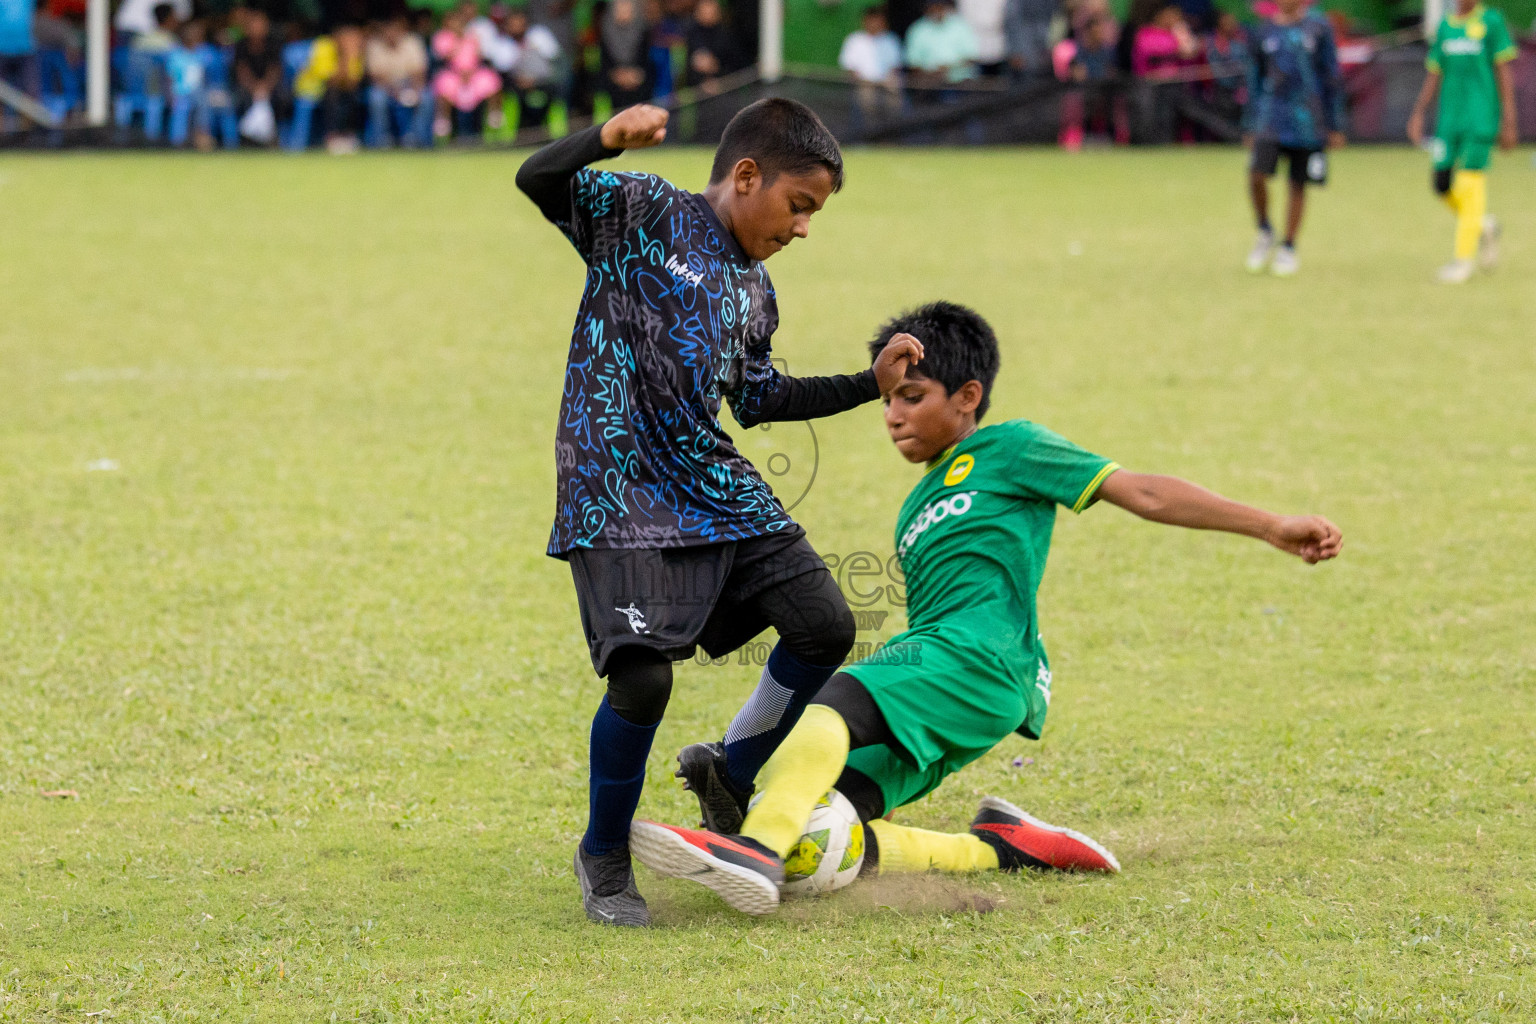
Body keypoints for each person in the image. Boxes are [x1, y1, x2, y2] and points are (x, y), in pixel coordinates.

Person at [629, 301, 1344, 915]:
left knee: (831, 706)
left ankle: (750, 853)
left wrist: (1271, 526)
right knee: (821, 831)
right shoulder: (919, 499)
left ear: (967, 397)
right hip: (964, 676)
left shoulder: (1012, 448)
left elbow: (1145, 492)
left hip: (976, 658)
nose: (893, 414)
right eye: (887, 399)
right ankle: (1000, 849)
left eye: (913, 395)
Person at [515, 100, 925, 929]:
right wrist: (604, 141)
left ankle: (730, 771)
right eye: (799, 205)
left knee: (823, 623)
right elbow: (537, 177)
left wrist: (865, 382)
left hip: (709, 482)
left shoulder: (755, 287)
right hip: (616, 483)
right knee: (642, 675)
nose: (804, 228)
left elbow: (761, 397)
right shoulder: (640, 209)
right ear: (746, 176)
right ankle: (603, 853)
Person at [1406, 0, 1519, 284]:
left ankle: (1462, 261)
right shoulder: (1445, 27)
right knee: (1441, 185)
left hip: (1480, 119)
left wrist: (1509, 119)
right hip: (1449, 121)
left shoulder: (1491, 22)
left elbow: (1503, 72)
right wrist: (1419, 112)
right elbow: (1435, 72)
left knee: (1470, 185)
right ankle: (1483, 225)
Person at [1241, 0, 1346, 277]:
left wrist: (1334, 124)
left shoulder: (1319, 28)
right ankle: (1264, 230)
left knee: (1297, 184)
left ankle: (1288, 246)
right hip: (1271, 118)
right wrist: (1250, 123)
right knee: (1255, 175)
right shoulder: (1263, 32)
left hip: (1308, 121)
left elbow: (1331, 75)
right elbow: (1254, 79)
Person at [432, 1, 502, 138]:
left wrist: (470, 73)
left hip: (473, 75)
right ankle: (443, 119)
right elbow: (444, 57)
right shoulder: (444, 37)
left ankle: (494, 114)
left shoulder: (472, 37)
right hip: (453, 75)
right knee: (444, 86)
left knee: (492, 80)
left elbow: (478, 57)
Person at [296, 22, 366, 152]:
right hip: (315, 89)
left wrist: (348, 55)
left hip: (343, 89)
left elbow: (353, 82)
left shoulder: (354, 50)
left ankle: (348, 136)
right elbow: (329, 80)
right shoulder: (323, 46)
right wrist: (345, 58)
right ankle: (331, 136)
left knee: (352, 95)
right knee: (332, 94)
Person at [1060, 14, 1127, 149]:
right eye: (1096, 30)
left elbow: (1112, 72)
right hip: (1085, 92)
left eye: (1100, 30)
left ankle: (1112, 136)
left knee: (1114, 98)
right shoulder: (1079, 51)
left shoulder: (1107, 51)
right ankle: (1082, 136)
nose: (1099, 34)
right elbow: (1076, 73)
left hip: (1104, 91)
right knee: (1081, 98)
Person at [365, 11, 431, 147]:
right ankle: (381, 140)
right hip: (385, 87)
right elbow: (375, 77)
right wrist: (394, 90)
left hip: (409, 84)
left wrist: (412, 90)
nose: (392, 33)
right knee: (376, 97)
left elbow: (419, 72)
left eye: (395, 29)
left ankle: (418, 140)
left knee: (426, 97)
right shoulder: (375, 45)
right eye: (388, 29)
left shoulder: (413, 42)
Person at [838, 5, 903, 121]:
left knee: (894, 88)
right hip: (864, 82)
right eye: (872, 20)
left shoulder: (891, 40)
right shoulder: (854, 40)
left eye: (878, 20)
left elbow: (895, 66)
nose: (875, 23)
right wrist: (864, 81)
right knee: (867, 95)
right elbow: (849, 68)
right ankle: (871, 130)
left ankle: (893, 128)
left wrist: (885, 80)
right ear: (865, 21)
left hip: (886, 81)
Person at [904, 0, 980, 87]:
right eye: (933, 7)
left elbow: (972, 58)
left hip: (961, 83)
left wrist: (949, 69)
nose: (936, 10)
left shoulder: (960, 25)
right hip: (929, 85)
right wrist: (932, 73)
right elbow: (912, 63)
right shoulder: (917, 29)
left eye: (939, 6)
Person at [598, 0, 652, 108]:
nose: (623, 10)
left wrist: (636, 75)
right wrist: (617, 76)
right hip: (612, 86)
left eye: (626, 7)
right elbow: (603, 65)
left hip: (639, 86)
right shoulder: (605, 31)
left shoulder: (644, 31)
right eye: (620, 7)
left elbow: (648, 62)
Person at [683, 0, 739, 94]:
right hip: (697, 92)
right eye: (704, 8)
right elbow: (686, 70)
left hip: (725, 90)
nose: (708, 12)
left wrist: (716, 67)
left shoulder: (726, 36)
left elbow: (737, 66)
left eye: (711, 9)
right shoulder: (691, 35)